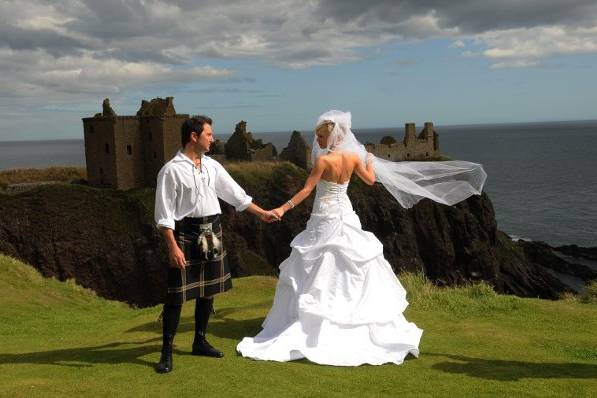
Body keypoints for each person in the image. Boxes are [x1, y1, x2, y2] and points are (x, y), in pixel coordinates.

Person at [236, 110, 486, 366]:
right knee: (347, 262)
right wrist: (368, 159)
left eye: (321, 137)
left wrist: (283, 208)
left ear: (331, 136)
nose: (318, 142)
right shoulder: (354, 158)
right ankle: (347, 314)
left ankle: (318, 319)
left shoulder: (323, 161)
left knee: (320, 263)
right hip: (344, 212)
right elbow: (371, 180)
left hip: (325, 215)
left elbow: (306, 190)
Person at [154, 115, 277, 374]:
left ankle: (199, 341)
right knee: (176, 296)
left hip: (213, 230)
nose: (213, 138)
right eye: (209, 134)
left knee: (208, 291)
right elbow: (164, 215)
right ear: (193, 136)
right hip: (186, 233)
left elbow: (235, 194)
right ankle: (166, 352)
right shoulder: (171, 170)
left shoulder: (212, 166)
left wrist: (262, 212)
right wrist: (172, 246)